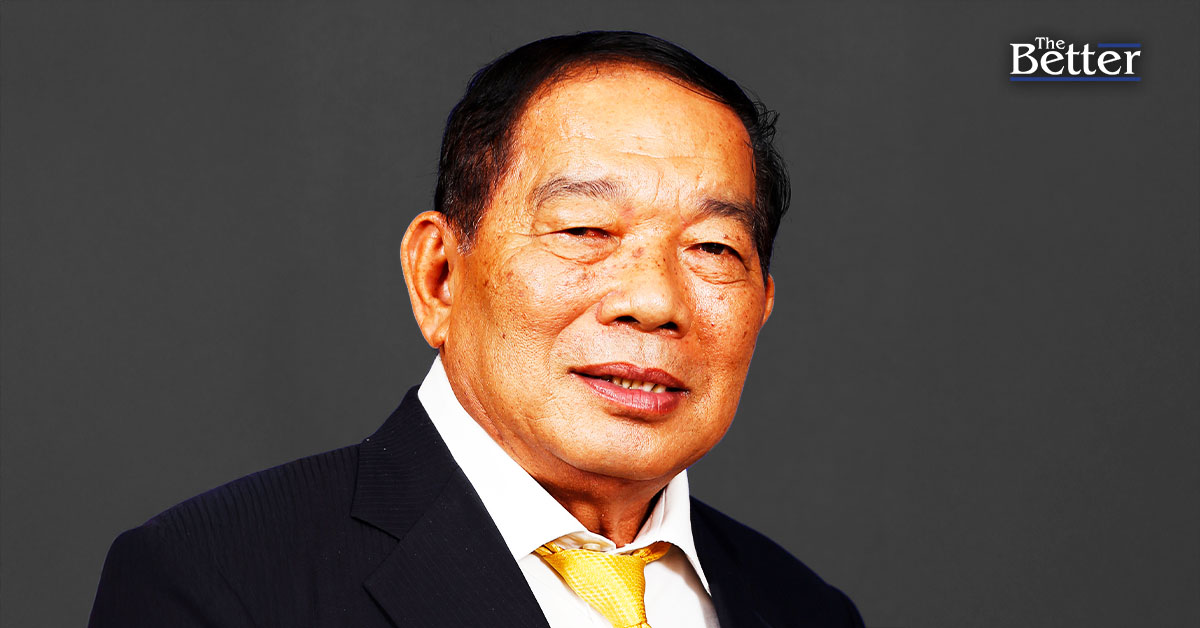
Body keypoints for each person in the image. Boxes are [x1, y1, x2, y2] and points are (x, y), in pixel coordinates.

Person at [89, 31, 864, 628]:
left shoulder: (804, 609)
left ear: (763, 302)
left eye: (713, 248)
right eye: (585, 229)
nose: (654, 301)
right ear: (439, 275)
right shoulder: (218, 582)